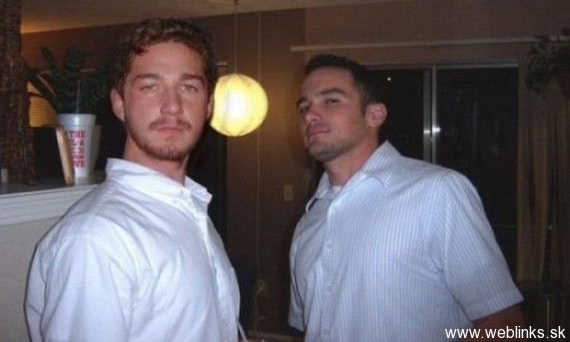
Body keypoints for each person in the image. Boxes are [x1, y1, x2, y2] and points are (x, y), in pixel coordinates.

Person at [26, 18, 240, 342]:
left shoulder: (191, 210)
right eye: (150, 86)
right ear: (119, 103)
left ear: (208, 105)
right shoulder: (97, 239)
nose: (172, 106)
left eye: (189, 87)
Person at [288, 54, 525, 341]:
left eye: (331, 101)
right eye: (304, 107)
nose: (310, 115)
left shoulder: (437, 192)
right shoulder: (308, 223)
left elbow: (505, 325)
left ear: (375, 115)